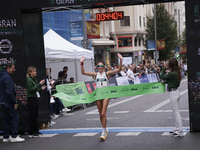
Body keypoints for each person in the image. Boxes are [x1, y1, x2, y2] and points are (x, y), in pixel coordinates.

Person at [80, 53, 123, 140]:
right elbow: (83, 72)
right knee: (100, 114)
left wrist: (121, 60)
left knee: (103, 113)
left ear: (104, 67)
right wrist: (81, 63)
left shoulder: (107, 73)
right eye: (98, 65)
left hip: (106, 95)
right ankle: (104, 129)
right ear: (97, 67)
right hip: (98, 95)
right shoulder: (94, 74)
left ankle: (103, 132)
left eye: (101, 65)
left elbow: (118, 69)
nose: (100, 67)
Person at [0, 63, 25, 143]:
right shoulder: (7, 77)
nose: (14, 70)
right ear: (8, 68)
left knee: (6, 119)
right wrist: (14, 102)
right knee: (15, 118)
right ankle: (14, 136)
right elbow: (9, 91)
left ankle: (6, 136)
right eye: (13, 68)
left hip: (3, 101)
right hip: (8, 101)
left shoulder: (2, 77)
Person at [160, 58, 184, 137]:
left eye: (168, 63)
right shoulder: (176, 72)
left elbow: (162, 76)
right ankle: (177, 129)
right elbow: (172, 81)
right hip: (176, 92)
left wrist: (163, 67)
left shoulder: (172, 73)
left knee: (176, 113)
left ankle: (180, 131)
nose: (167, 65)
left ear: (171, 65)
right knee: (175, 112)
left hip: (173, 93)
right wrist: (166, 81)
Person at [26, 66, 46, 138]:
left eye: (35, 71)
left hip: (35, 98)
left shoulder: (34, 79)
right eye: (34, 71)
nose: (35, 72)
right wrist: (39, 84)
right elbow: (31, 90)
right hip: (31, 99)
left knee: (35, 115)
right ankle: (31, 131)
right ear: (30, 72)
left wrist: (41, 89)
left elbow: (36, 90)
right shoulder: (29, 80)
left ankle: (36, 130)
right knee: (32, 115)